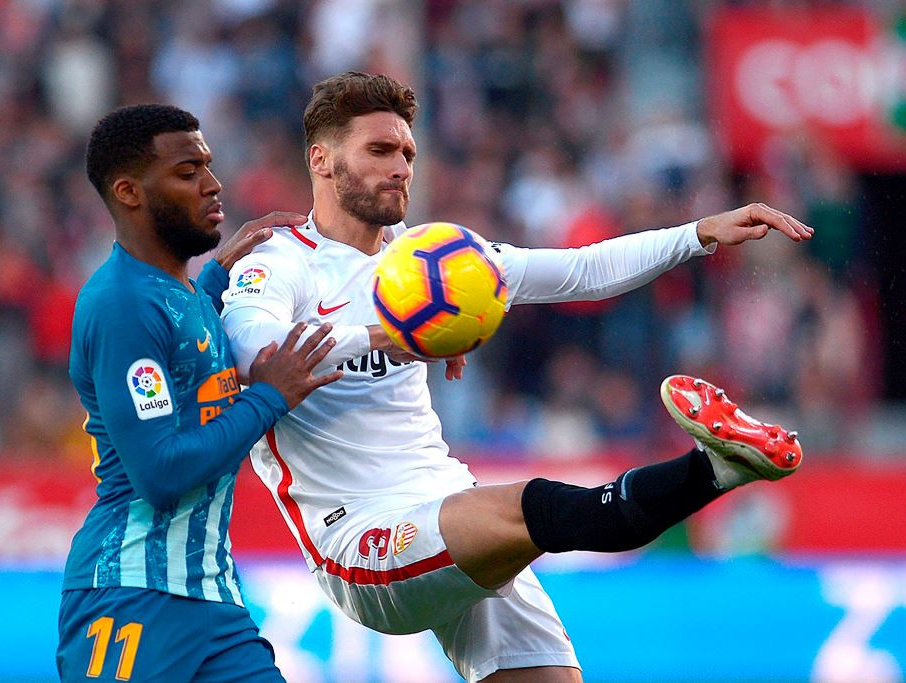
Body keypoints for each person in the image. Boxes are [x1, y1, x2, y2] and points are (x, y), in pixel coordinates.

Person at [207, 73, 813, 683]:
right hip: (359, 539)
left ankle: (719, 469)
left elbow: (581, 272)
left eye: (408, 154)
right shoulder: (278, 262)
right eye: (379, 151)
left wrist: (698, 234)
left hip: (448, 500)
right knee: (533, 508)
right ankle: (712, 471)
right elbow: (257, 355)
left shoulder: (430, 260)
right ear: (322, 158)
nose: (400, 168)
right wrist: (386, 335)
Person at [57, 104, 343, 682]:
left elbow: (185, 360)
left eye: (208, 166)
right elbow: (161, 472)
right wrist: (268, 398)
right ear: (130, 193)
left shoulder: (177, 290)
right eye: (188, 172)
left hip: (215, 603)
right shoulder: (122, 305)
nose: (213, 184)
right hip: (131, 598)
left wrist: (214, 281)